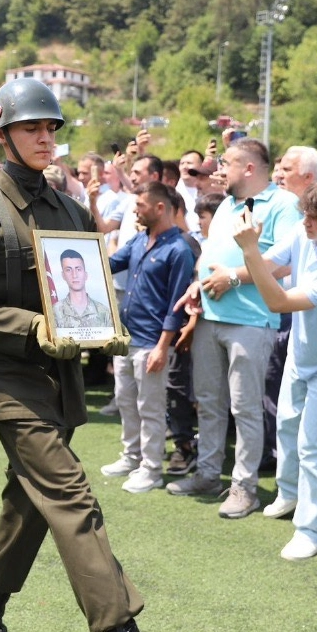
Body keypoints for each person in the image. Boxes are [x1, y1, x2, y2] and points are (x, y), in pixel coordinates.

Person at [0, 77, 200, 632]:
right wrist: (32, 327)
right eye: (31, 127)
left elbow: (87, 291)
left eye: (51, 128)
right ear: (3, 134)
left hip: (61, 383)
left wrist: (103, 328)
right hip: (9, 382)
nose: (44, 137)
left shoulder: (71, 210)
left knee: (29, 502)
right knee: (71, 497)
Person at [232, 174, 317, 559]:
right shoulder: (306, 231)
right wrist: (238, 268)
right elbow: (269, 268)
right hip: (302, 350)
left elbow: (278, 302)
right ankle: (289, 493)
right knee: (287, 426)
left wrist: (249, 250)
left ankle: (312, 530)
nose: (305, 223)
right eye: (305, 214)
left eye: (315, 218)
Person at [167, 138, 302, 520]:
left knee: (245, 408)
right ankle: (208, 475)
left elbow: (285, 263)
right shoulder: (227, 204)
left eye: (226, 163)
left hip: (252, 321)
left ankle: (245, 488)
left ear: (249, 167)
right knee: (209, 403)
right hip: (211, 317)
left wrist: (234, 278)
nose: (219, 170)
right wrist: (198, 284)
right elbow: (211, 255)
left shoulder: (284, 204)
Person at [100, 181, 195, 494]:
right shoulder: (139, 239)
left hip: (152, 343)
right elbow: (110, 264)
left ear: (160, 208)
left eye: (140, 205)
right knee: (126, 402)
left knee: (151, 409)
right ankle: (132, 456)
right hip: (127, 339)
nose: (135, 211)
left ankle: (151, 469)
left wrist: (162, 347)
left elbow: (176, 306)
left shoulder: (179, 250)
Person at [52, 249, 114, 329]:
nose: (74, 275)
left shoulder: (104, 312)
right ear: (63, 275)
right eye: (68, 270)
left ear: (85, 274)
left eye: (78, 269)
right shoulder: (54, 312)